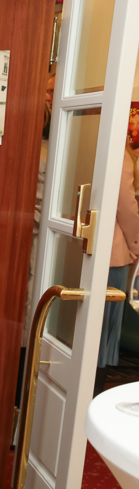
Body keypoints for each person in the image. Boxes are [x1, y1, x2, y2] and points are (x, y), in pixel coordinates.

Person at [100, 150, 139, 374]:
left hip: (85, 246)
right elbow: (126, 206)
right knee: (105, 329)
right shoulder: (118, 152)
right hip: (113, 253)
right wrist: (136, 245)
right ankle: (96, 386)